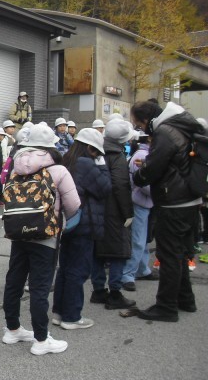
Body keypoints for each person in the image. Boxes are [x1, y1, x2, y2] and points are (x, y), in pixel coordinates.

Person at [2, 123, 80, 355]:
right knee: (39, 288)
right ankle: (41, 340)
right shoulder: (58, 170)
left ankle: (12, 329)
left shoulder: (17, 168)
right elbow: (74, 205)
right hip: (45, 235)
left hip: (18, 234)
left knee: (14, 282)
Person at [131, 101, 204, 322]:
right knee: (179, 253)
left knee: (169, 255)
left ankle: (166, 307)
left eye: (139, 124)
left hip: (173, 201)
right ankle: (185, 299)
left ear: (147, 119)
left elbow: (154, 167)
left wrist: (139, 175)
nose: (141, 129)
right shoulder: (181, 126)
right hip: (190, 199)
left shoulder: (165, 132)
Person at [52, 128, 111, 330]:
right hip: (84, 224)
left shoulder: (66, 160)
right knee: (79, 270)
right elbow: (105, 188)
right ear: (90, 148)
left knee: (65, 268)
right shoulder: (86, 163)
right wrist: (102, 166)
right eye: (97, 152)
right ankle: (71, 316)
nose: (98, 155)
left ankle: (59, 312)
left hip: (67, 222)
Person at [90, 120, 136, 309]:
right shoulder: (117, 156)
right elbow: (120, 185)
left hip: (94, 208)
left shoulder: (93, 151)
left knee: (97, 251)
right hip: (114, 210)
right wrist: (128, 212)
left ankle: (98, 290)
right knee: (118, 251)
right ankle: (115, 293)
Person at [121, 130, 156, 291]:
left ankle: (142, 269)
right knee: (138, 240)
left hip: (144, 202)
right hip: (140, 202)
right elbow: (143, 183)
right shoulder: (142, 156)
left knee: (143, 238)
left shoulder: (144, 154)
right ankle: (128, 274)